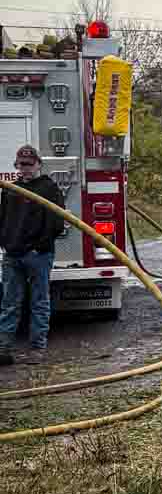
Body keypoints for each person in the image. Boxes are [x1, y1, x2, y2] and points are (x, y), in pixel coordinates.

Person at [0, 144, 65, 366]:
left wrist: (39, 246)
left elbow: (57, 223)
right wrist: (5, 244)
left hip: (38, 255)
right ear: (16, 165)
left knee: (39, 301)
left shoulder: (49, 189)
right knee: (10, 302)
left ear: (38, 164)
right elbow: (3, 219)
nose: (25, 169)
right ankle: (4, 348)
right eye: (21, 165)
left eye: (29, 164)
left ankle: (37, 348)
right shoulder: (10, 189)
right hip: (12, 255)